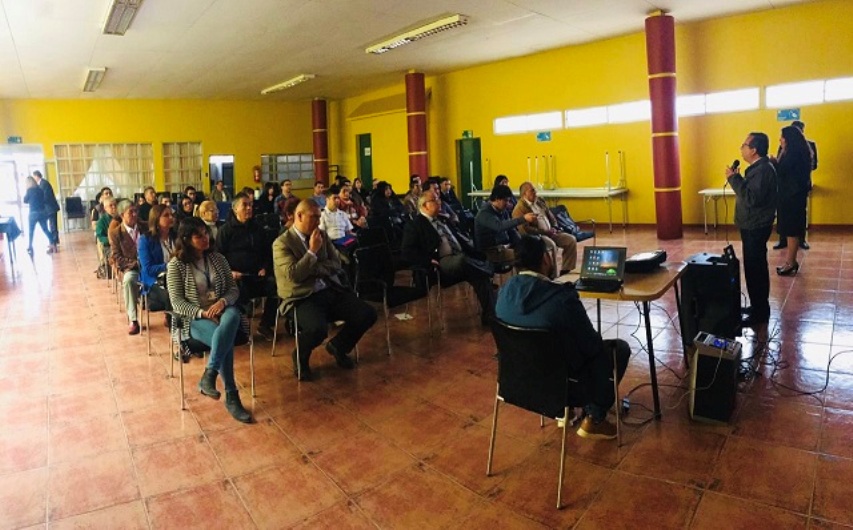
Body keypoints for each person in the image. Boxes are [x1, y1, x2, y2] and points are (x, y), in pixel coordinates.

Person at [495, 235, 630, 440]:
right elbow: (591, 346)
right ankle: (594, 418)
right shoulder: (562, 299)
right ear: (546, 259)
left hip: (517, 382)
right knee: (617, 349)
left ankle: (563, 416)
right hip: (564, 387)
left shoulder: (503, 293)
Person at [272, 199, 377, 381]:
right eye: (313, 217)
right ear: (299, 216)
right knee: (318, 329)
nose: (318, 222)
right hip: (301, 297)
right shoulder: (282, 243)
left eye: (319, 217)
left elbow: (336, 263)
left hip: (329, 289)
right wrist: (312, 253)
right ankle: (300, 357)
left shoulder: (321, 234)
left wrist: (311, 268)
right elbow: (294, 275)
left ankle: (339, 346)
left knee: (367, 313)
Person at [166, 217, 253, 423]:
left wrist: (222, 302)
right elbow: (177, 303)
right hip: (194, 318)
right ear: (186, 239)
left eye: (206, 233)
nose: (205, 239)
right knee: (222, 339)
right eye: (199, 236)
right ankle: (232, 395)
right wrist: (202, 313)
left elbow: (233, 289)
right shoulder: (176, 265)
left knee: (231, 317)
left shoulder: (217, 258)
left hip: (223, 312)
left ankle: (209, 375)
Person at [402, 193, 496, 326]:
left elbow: (459, 240)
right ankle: (488, 269)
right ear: (424, 206)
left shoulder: (443, 219)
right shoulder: (415, 225)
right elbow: (407, 252)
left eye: (439, 199)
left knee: (480, 277)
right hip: (441, 262)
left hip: (461, 259)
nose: (439, 202)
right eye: (434, 200)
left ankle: (490, 317)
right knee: (465, 261)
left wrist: (475, 252)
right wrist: (427, 260)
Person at [725, 132, 778, 341]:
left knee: (755, 268)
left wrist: (733, 178)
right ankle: (757, 306)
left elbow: (751, 198)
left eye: (744, 145)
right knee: (753, 267)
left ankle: (760, 312)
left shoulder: (763, 169)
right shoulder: (757, 168)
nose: (742, 148)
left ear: (754, 149)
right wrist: (738, 178)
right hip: (752, 225)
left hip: (756, 226)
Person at [215, 193, 279, 340]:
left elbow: (267, 253)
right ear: (235, 208)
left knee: (277, 287)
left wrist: (265, 267)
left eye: (251, 205)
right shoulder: (225, 230)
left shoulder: (258, 229)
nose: (249, 208)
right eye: (245, 205)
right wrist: (229, 272)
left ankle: (265, 325)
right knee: (238, 292)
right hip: (236, 277)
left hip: (257, 275)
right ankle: (240, 328)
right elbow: (217, 257)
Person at [513, 181, 578, 274]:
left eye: (535, 190)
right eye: (532, 191)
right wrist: (545, 232)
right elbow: (525, 229)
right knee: (552, 245)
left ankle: (566, 269)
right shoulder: (519, 209)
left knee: (571, 240)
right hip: (538, 236)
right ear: (524, 194)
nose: (535, 193)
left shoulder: (540, 201)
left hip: (551, 232)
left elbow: (551, 216)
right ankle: (553, 274)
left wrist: (555, 226)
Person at [772, 125, 812, 276]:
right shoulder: (799, 152)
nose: (780, 139)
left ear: (789, 139)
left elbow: (782, 171)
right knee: (791, 231)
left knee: (791, 230)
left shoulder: (793, 154)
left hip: (791, 197)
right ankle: (791, 261)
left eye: (782, 137)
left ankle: (790, 262)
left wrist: (774, 162)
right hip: (793, 195)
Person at [774, 120, 817, 251]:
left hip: (796, 188)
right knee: (783, 214)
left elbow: (814, 165)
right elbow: (781, 165)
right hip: (785, 189)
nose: (780, 139)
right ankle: (783, 239)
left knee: (799, 215)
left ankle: (801, 239)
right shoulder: (783, 147)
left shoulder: (809, 146)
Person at [474, 185, 535, 265]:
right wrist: (523, 218)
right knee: (524, 256)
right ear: (496, 199)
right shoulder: (484, 214)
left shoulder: (502, 211)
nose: (508, 204)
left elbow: (511, 230)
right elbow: (500, 226)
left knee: (531, 249)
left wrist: (521, 244)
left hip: (504, 246)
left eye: (509, 201)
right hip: (490, 251)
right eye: (505, 201)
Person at [108, 200, 142, 335]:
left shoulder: (144, 228)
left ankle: (169, 316)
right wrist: (136, 264)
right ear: (122, 215)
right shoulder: (116, 233)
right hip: (132, 267)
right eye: (130, 212)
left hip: (149, 266)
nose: (134, 214)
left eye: (136, 211)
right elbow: (117, 257)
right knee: (128, 280)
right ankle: (133, 319)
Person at [138, 204, 175, 314]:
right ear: (156, 219)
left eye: (171, 215)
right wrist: (169, 266)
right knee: (172, 294)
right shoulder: (145, 240)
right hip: (153, 279)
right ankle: (172, 323)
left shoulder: (176, 236)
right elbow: (148, 269)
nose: (171, 218)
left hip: (175, 276)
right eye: (166, 215)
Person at [32, 170, 60, 253]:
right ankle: (53, 242)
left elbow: (46, 197)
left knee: (53, 226)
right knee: (51, 226)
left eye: (34, 177)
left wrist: (39, 201)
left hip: (51, 208)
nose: (34, 179)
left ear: (37, 176)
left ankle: (53, 243)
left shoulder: (44, 184)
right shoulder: (41, 184)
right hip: (48, 209)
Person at [22, 176, 50, 255]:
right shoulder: (40, 190)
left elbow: (25, 200)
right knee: (45, 229)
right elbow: (44, 200)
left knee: (31, 231)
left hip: (33, 213)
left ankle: (30, 246)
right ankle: (53, 243)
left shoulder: (29, 191)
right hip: (42, 212)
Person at [95, 197, 118, 277]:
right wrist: (113, 240)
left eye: (115, 205)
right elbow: (101, 238)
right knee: (117, 255)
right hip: (108, 247)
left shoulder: (121, 217)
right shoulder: (101, 222)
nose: (114, 207)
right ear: (105, 208)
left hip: (123, 244)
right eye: (111, 205)